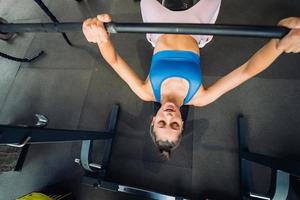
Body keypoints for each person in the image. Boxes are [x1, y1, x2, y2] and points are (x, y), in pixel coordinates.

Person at [82, 0, 300, 159]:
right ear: (182, 124)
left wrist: (101, 38)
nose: (168, 116)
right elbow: (247, 71)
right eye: (174, 124)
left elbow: (115, 61)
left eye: (161, 123)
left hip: (158, 28)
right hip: (197, 29)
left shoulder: (146, 91)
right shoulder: (200, 97)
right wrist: (278, 46)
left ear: (153, 120)